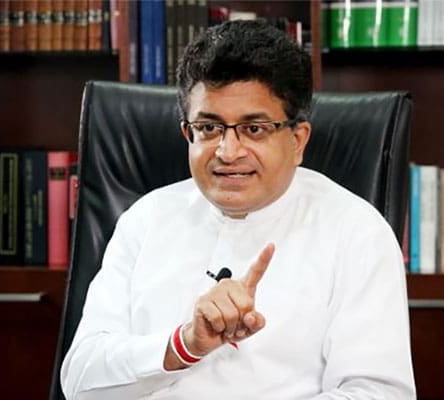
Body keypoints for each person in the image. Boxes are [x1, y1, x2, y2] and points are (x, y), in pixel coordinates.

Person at [61, 20, 415, 399]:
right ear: (187, 133)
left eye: (254, 129)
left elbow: (377, 393)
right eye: (209, 128)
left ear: (298, 140)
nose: (228, 152)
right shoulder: (146, 218)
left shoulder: (358, 232)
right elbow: (80, 382)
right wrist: (184, 345)